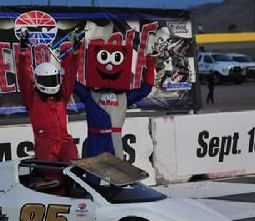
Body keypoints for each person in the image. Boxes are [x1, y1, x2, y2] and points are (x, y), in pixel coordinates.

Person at [74, 40, 156, 160]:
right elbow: (71, 83)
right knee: (93, 175)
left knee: (116, 175)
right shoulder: (90, 94)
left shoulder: (124, 96)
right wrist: (73, 56)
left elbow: (145, 89)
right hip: (94, 140)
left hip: (114, 139)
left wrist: (150, 65)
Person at [16, 30, 80, 165]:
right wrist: (23, 52)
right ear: (38, 80)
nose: (50, 83)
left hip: (65, 141)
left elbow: (70, 75)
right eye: (47, 80)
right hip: (45, 144)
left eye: (53, 79)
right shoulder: (32, 98)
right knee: (53, 177)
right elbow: (23, 76)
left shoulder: (62, 95)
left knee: (74, 168)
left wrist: (75, 53)